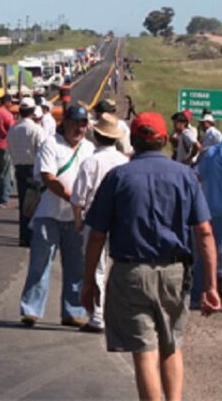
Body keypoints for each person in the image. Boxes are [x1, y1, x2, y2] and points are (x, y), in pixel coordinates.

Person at [83, 112, 221, 401]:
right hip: (175, 272)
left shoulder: (118, 177)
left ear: (132, 140)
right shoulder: (185, 176)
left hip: (131, 273)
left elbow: (96, 235)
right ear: (164, 140)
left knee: (144, 350)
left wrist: (88, 281)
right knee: (172, 343)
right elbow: (205, 232)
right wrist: (210, 285)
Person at [19, 104, 94, 327]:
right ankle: (31, 310)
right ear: (65, 123)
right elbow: (48, 177)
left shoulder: (89, 148)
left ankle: (73, 312)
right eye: (75, 123)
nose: (79, 129)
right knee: (40, 264)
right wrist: (73, 198)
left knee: (77, 267)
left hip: (77, 218)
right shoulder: (51, 144)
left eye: (83, 124)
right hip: (48, 214)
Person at [69, 112, 128, 333]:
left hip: (95, 219)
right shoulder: (123, 161)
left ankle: (98, 315)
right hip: (121, 220)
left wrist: (78, 221)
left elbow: (78, 198)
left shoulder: (91, 162)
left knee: (96, 268)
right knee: (119, 267)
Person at [7, 97, 46, 247]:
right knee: (35, 204)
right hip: (33, 168)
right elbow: (42, 150)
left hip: (19, 168)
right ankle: (33, 235)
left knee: (24, 203)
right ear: (33, 111)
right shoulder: (36, 129)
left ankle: (24, 236)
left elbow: (10, 147)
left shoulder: (13, 128)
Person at [193, 130, 222, 310]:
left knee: (206, 254)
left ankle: (198, 294)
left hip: (209, 209)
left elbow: (197, 175)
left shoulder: (211, 153)